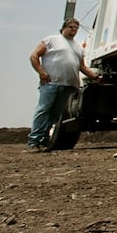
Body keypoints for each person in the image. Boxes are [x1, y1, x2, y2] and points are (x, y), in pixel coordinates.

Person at [26, 17, 101, 151]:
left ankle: (43, 140)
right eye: (71, 27)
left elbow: (82, 66)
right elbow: (34, 56)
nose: (74, 30)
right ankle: (34, 140)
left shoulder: (77, 47)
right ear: (64, 28)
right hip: (51, 83)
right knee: (43, 110)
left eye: (76, 28)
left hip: (69, 85)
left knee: (55, 114)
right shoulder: (51, 40)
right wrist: (41, 72)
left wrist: (94, 76)